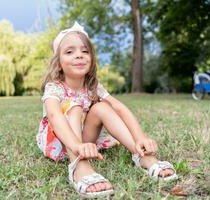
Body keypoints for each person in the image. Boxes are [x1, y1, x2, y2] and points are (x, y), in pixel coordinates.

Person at [36, 22, 178, 198]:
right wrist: (76, 146)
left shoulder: (93, 86)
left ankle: (140, 154)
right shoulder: (54, 87)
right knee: (74, 106)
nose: (79, 55)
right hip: (63, 142)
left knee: (103, 106)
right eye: (69, 51)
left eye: (85, 51)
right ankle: (79, 166)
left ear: (92, 58)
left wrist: (140, 137)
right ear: (58, 64)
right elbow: (53, 115)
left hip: (86, 141)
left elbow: (119, 108)